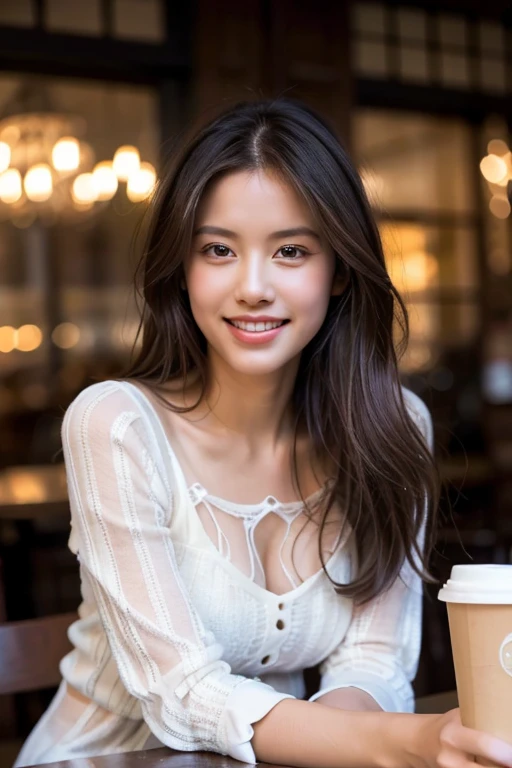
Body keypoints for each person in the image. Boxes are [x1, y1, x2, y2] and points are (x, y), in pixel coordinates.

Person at [15, 99, 512, 768]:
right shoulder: (115, 425)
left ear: (337, 270)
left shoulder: (395, 429)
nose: (253, 286)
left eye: (291, 251)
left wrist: (360, 744)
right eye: (218, 249)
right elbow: (185, 695)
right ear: (182, 269)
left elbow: (371, 661)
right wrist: (411, 742)